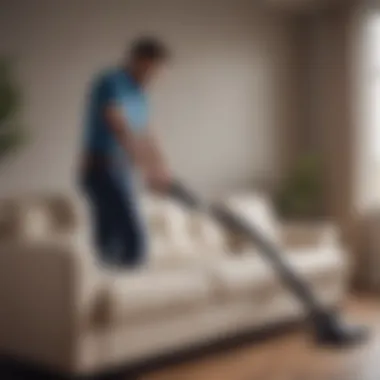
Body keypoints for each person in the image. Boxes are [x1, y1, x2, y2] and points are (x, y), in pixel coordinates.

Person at [79, 37, 172, 268]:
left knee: (111, 236)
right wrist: (148, 167)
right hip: (101, 169)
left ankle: (109, 287)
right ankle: (124, 287)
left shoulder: (139, 94)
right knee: (133, 237)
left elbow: (146, 134)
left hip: (120, 170)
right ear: (139, 60)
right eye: (153, 70)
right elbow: (117, 123)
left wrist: (161, 166)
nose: (154, 77)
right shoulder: (111, 81)